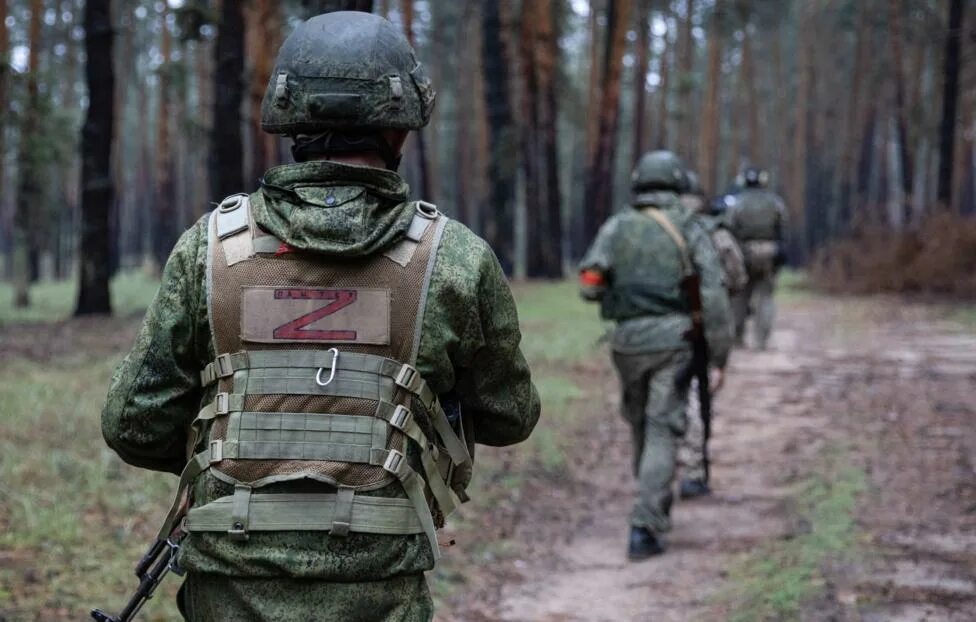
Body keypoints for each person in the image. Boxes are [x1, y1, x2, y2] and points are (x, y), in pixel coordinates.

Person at [101, 12, 540, 621]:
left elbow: (134, 425)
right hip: (380, 586)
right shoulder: (454, 260)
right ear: (401, 127)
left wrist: (249, 456)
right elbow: (510, 415)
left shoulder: (210, 249)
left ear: (288, 117)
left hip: (230, 586)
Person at [579, 150, 733, 560]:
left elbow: (589, 282)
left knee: (641, 427)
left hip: (626, 344)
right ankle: (645, 526)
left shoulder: (616, 227)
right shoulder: (689, 225)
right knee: (663, 429)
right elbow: (714, 293)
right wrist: (719, 356)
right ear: (677, 183)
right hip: (675, 342)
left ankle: (653, 501)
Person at [676, 171, 747, 500]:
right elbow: (735, 279)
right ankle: (692, 471)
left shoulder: (642, 227)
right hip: (696, 329)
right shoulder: (711, 232)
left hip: (645, 333)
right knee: (694, 396)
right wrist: (721, 356)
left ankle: (656, 469)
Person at [726, 166, 789, 350]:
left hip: (743, 253)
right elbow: (784, 228)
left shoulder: (737, 202)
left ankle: (737, 338)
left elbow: (729, 227)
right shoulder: (775, 202)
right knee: (766, 297)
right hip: (769, 252)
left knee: (739, 296)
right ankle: (761, 341)